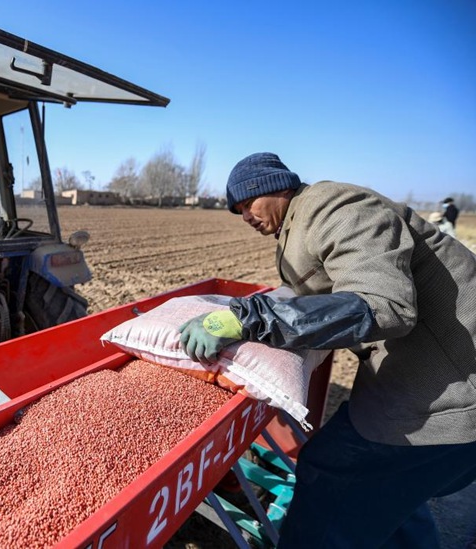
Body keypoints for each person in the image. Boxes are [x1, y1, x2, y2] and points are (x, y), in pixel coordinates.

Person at [179, 152, 476, 548]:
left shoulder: (334, 207)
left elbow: (385, 306)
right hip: (421, 375)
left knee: (331, 473)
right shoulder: (296, 229)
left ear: (276, 188)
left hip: (453, 387)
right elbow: (314, 295)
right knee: (390, 491)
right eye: (237, 212)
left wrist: (250, 318)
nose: (245, 217)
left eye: (247, 204)